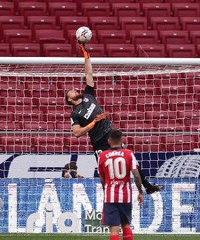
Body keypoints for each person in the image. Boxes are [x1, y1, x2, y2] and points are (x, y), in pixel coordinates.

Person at [66, 42, 162, 194]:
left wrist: (86, 55)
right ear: (69, 100)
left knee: (130, 160)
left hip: (110, 134)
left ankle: (147, 186)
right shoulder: (75, 114)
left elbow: (88, 74)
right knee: (104, 171)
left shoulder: (88, 95)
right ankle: (108, 196)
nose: (73, 89)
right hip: (98, 142)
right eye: (70, 92)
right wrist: (93, 123)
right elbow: (77, 133)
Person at [98, 129, 144, 240]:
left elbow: (102, 177)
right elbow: (136, 175)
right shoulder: (129, 153)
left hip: (110, 196)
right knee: (126, 225)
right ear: (121, 139)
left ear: (109, 140)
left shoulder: (103, 155)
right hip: (125, 196)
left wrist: (108, 187)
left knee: (114, 230)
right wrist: (140, 191)